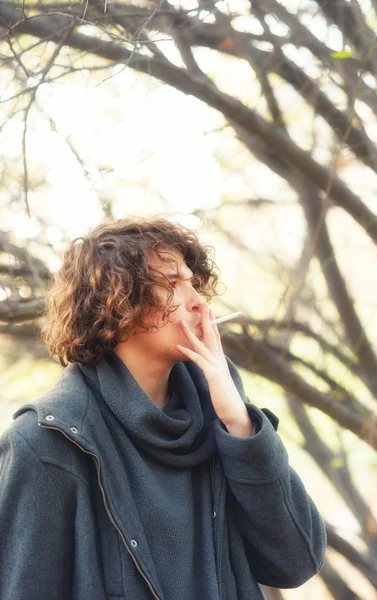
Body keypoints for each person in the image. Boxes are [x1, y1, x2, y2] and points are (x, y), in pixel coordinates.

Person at [0, 216, 326, 600]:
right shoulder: (46, 443)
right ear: (117, 303)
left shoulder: (220, 415)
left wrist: (240, 424)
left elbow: (296, 560)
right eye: (173, 284)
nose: (198, 302)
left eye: (193, 283)